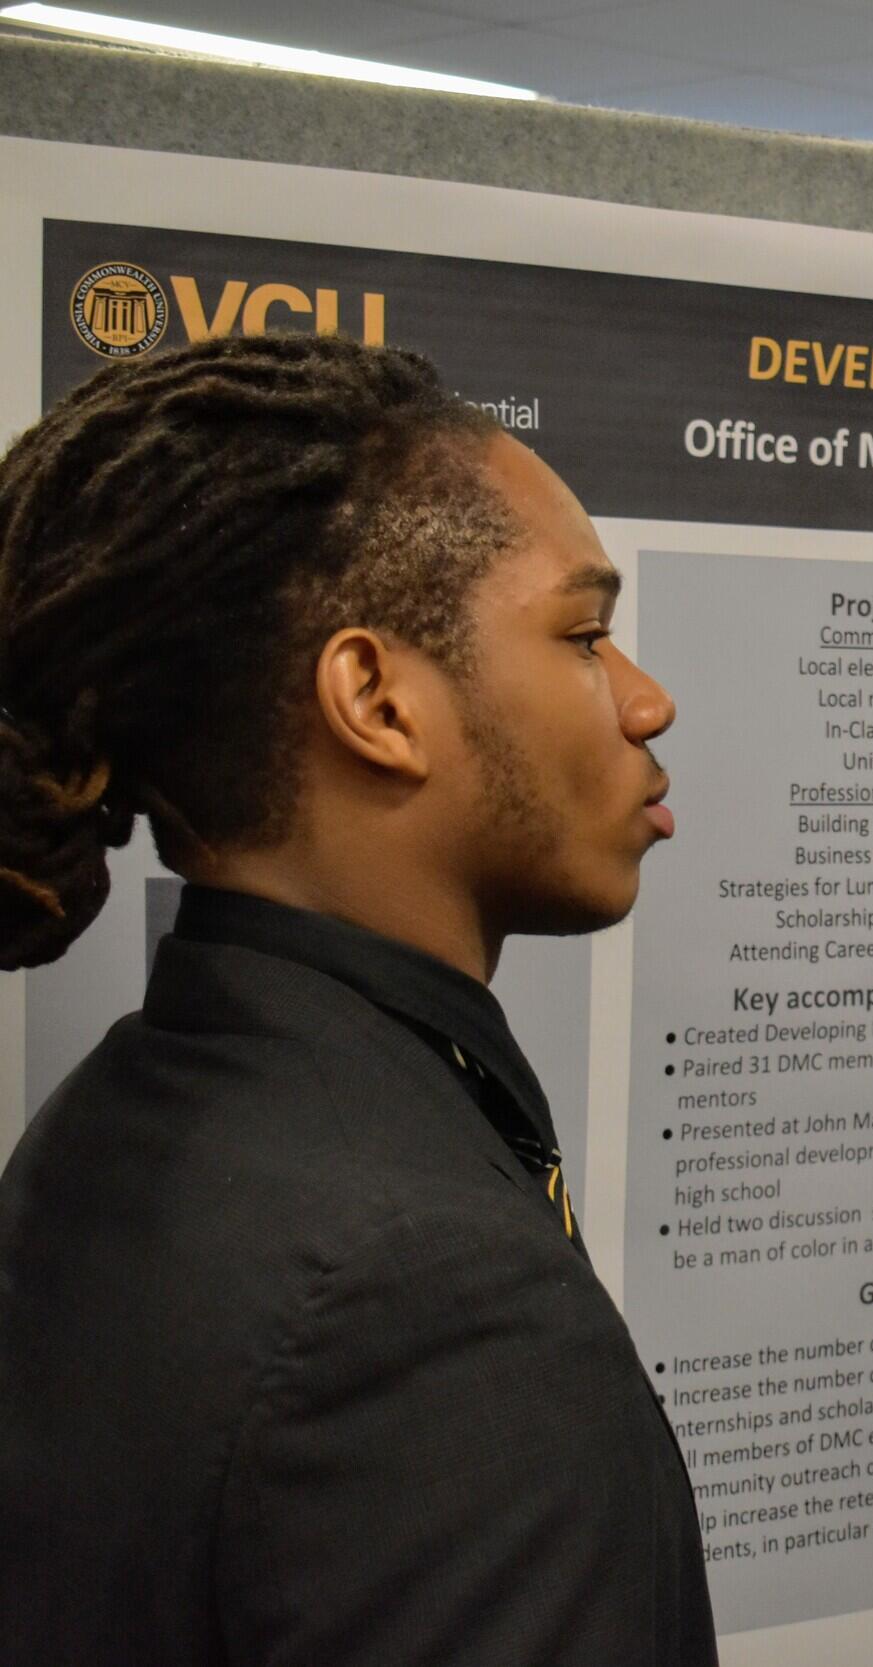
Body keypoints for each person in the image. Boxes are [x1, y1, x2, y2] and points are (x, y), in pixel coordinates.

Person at [0, 335, 715, 1663]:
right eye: (585, 633)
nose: (646, 699)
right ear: (378, 700)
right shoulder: (433, 1303)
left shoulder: (108, 1123)